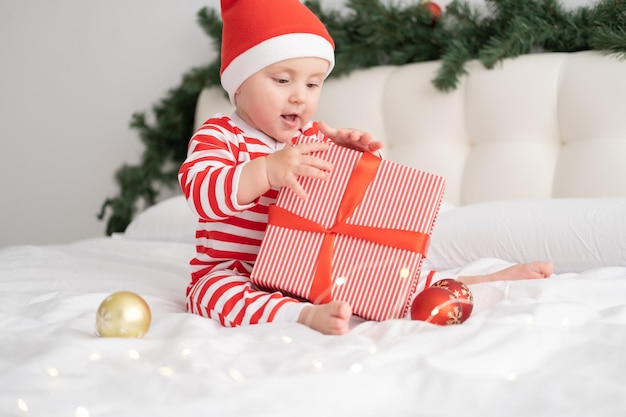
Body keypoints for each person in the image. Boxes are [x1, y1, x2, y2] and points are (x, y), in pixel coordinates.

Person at [178, 0, 553, 336]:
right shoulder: (220, 134)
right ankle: (301, 316)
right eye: (282, 80)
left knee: (381, 275)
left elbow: (347, 207)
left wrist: (350, 158)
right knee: (211, 295)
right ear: (238, 84)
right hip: (235, 269)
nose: (300, 96)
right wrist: (266, 171)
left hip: (300, 265)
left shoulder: (309, 136)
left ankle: (477, 281)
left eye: (313, 84)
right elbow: (202, 195)